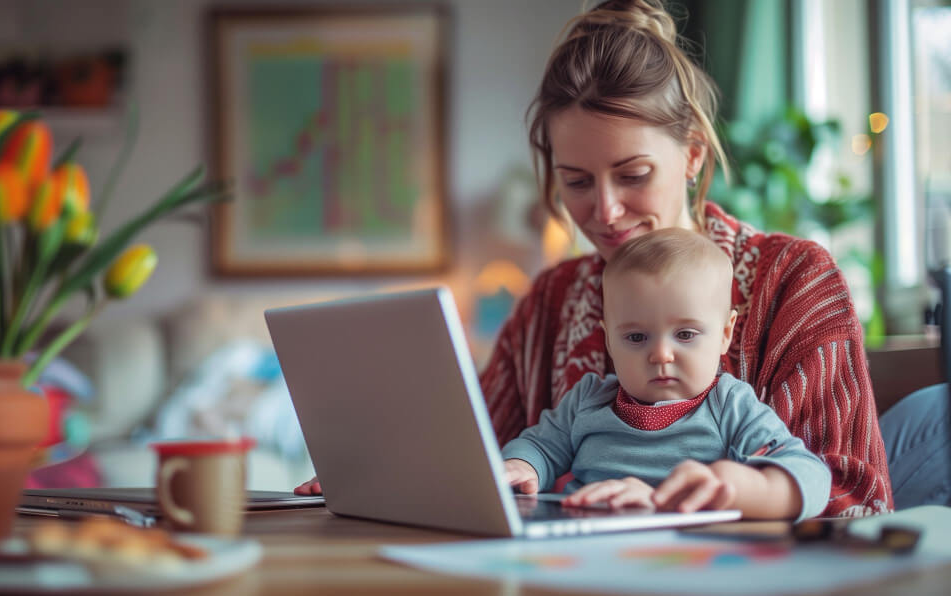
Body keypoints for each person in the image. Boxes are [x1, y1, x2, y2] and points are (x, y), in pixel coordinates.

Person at [299, 0, 944, 512]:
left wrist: (708, 498)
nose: (602, 212)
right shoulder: (552, 299)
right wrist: (376, 480)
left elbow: (850, 500)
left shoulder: (793, 280)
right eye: (577, 181)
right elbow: (484, 462)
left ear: (692, 154)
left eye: (633, 175)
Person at [502, 228, 830, 521]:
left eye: (685, 335)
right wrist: (522, 466)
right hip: (584, 541)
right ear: (609, 341)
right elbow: (540, 447)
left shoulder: (729, 406)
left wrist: (735, 486)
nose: (660, 354)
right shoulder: (589, 399)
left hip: (685, 554)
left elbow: (811, 477)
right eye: (635, 338)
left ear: (725, 334)